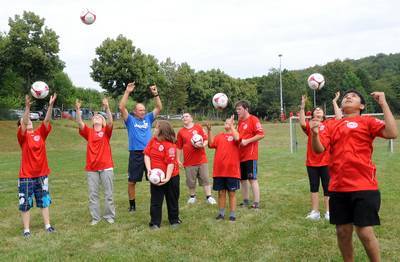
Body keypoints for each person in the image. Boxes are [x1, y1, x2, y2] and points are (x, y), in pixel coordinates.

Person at [310, 90, 398, 262]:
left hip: (364, 185)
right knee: (342, 232)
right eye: (345, 97)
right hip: (338, 186)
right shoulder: (331, 125)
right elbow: (318, 149)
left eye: (353, 97)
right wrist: (314, 134)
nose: (348, 97)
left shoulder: (368, 121)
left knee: (364, 231)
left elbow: (392, 133)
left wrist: (383, 104)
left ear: (362, 106)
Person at [17, 94, 57, 237]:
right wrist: (27, 107)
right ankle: (26, 230)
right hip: (26, 176)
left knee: (44, 201)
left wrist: (51, 105)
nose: (27, 122)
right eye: (24, 121)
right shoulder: (22, 136)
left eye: (28, 121)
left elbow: (46, 121)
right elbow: (24, 121)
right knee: (25, 203)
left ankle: (48, 226)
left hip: (42, 175)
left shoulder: (40, 133)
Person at [118, 82, 162, 212]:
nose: (143, 112)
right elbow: (121, 107)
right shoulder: (130, 120)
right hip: (136, 154)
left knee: (155, 179)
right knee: (132, 181)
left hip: (150, 153)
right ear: (135, 112)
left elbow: (159, 107)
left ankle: (155, 203)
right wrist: (127, 91)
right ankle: (132, 206)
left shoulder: (148, 118)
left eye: (144, 110)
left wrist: (155, 94)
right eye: (140, 110)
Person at [299, 93, 341, 221]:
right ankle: (315, 212)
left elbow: (339, 117)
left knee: (327, 188)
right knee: (314, 187)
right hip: (311, 162)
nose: (318, 110)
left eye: (320, 110)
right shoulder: (310, 124)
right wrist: (302, 107)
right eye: (316, 109)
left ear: (323, 115)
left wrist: (334, 101)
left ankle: (329, 212)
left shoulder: (328, 124)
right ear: (312, 114)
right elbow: (301, 122)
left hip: (326, 162)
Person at [76, 98, 116, 225]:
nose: (97, 117)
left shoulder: (106, 132)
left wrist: (107, 107)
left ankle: (109, 215)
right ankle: (95, 218)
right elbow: (80, 123)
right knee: (93, 194)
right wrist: (77, 110)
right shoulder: (89, 132)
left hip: (106, 167)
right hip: (92, 168)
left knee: (108, 194)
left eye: (100, 116)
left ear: (102, 121)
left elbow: (110, 121)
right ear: (92, 121)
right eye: (95, 116)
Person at [144, 120, 181, 229]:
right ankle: (155, 222)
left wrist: (167, 178)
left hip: (172, 176)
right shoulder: (153, 141)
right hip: (156, 177)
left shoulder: (170, 146)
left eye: (156, 128)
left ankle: (174, 220)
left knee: (172, 199)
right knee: (155, 200)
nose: (154, 129)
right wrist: (149, 169)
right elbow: (146, 155)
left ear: (162, 131)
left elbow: (170, 163)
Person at [176, 113, 216, 205]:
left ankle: (209, 197)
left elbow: (206, 140)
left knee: (205, 179)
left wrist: (202, 145)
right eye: (183, 117)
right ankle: (192, 196)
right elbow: (178, 147)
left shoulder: (198, 127)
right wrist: (178, 159)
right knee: (191, 181)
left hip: (201, 160)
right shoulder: (181, 132)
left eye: (186, 116)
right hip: (189, 161)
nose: (184, 118)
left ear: (191, 118)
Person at [206, 116, 241, 221]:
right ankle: (221, 213)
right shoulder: (220, 136)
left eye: (229, 122)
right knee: (221, 192)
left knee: (232, 193)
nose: (226, 123)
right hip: (219, 170)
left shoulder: (236, 135)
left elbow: (237, 138)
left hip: (232, 171)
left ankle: (232, 214)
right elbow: (211, 144)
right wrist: (209, 131)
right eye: (225, 122)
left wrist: (232, 126)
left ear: (233, 125)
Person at [235, 101, 264, 209]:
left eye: (239, 109)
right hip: (240, 155)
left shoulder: (253, 119)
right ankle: (245, 200)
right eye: (237, 109)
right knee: (242, 180)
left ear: (246, 109)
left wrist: (247, 141)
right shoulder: (240, 121)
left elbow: (261, 134)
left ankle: (256, 203)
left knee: (252, 179)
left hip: (250, 155)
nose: (237, 112)